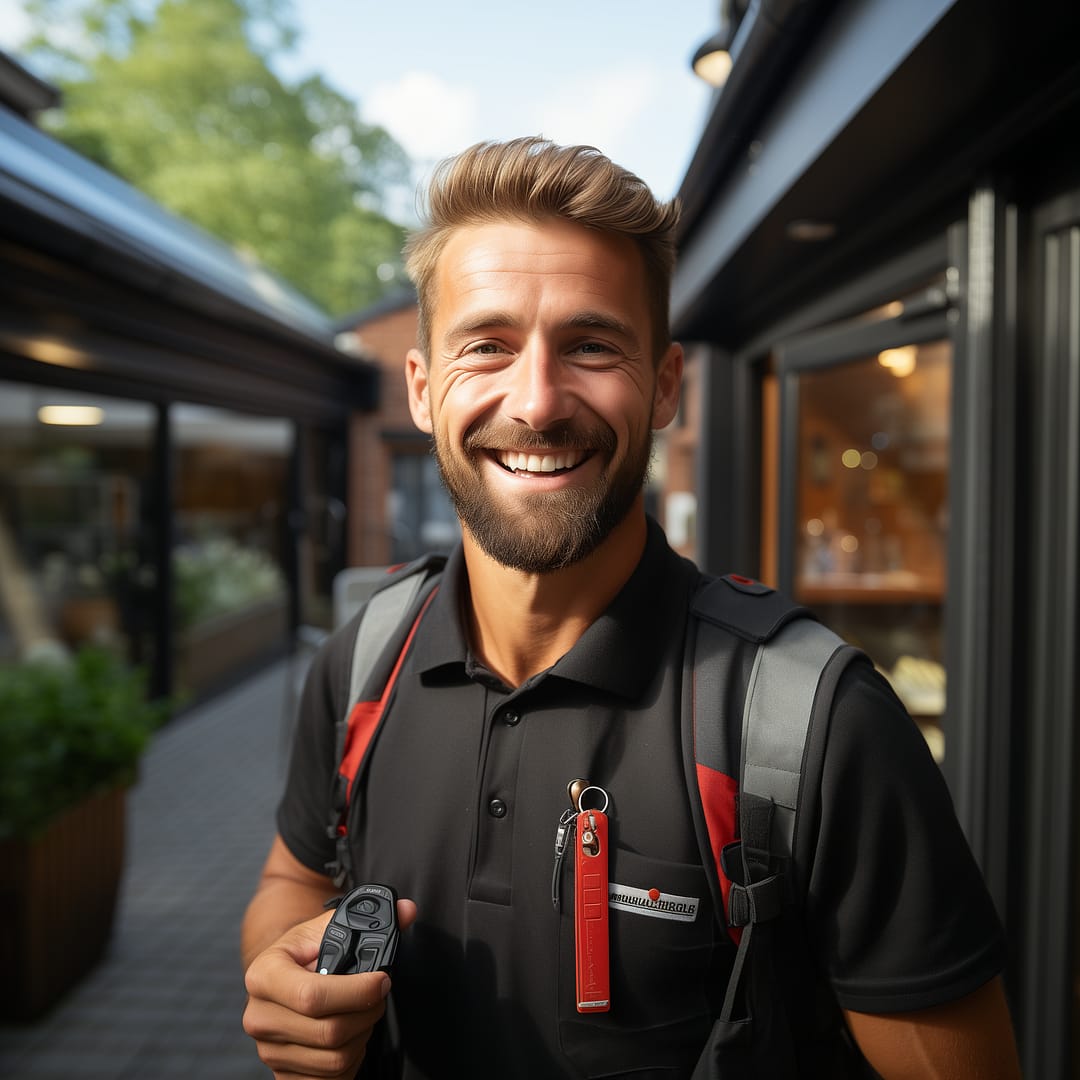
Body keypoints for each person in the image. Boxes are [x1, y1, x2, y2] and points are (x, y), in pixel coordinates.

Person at [241, 136, 1022, 1080]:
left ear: (665, 386)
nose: (536, 403)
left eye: (591, 346)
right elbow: (294, 875)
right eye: (486, 346)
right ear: (421, 388)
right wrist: (286, 975)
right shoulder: (366, 656)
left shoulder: (815, 722)